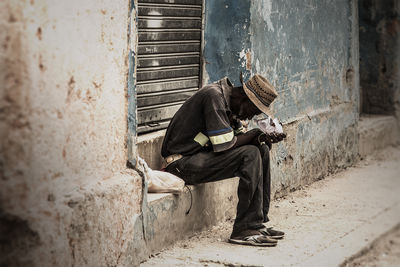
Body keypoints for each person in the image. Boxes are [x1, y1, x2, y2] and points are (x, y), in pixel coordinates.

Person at [161, 74, 286, 246]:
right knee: (250, 154)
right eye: (253, 111)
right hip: (181, 163)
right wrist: (254, 135)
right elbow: (225, 144)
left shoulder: (231, 106)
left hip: (198, 157)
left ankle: (256, 222)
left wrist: (261, 138)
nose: (251, 117)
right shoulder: (214, 97)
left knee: (260, 149)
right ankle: (243, 229)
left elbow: (236, 138)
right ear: (244, 99)